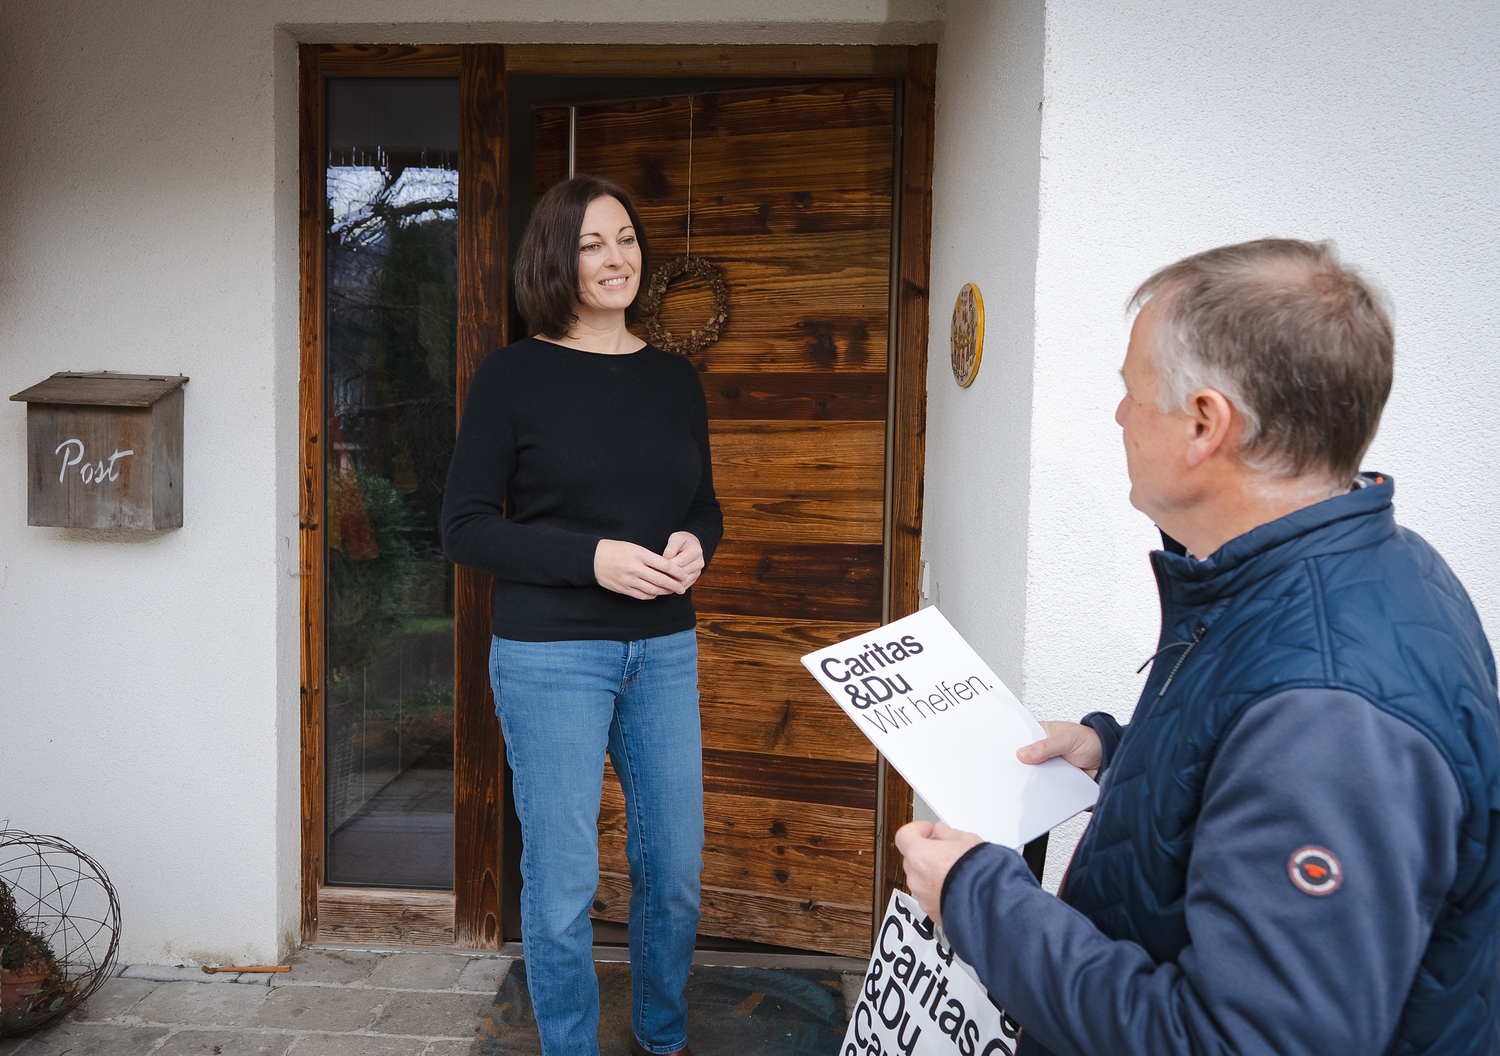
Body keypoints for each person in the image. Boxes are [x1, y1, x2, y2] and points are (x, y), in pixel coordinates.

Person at [896, 239, 1500, 1055]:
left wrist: (976, 897)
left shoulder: (1329, 715)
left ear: (1205, 424)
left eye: (1131, 391)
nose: (1119, 416)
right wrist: (1115, 754)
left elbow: (1240, 1041)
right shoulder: (1353, 566)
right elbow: (1250, 759)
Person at [442, 174, 722, 1056]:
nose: (615, 257)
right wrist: (589, 558)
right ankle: (569, 1046)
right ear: (554, 260)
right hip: (551, 654)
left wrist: (697, 544)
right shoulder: (512, 376)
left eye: (626, 239)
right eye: (592, 243)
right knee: (563, 880)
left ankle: (662, 1036)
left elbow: (703, 504)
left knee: (673, 870)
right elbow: (464, 527)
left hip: (662, 649)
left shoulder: (674, 378)